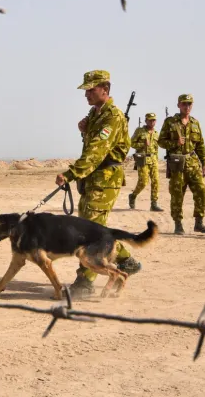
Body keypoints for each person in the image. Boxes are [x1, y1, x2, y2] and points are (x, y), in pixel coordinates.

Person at [55, 70, 142, 297]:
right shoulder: (95, 115)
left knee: (91, 236)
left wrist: (71, 173)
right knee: (91, 231)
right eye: (86, 90)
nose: (87, 94)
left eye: (91, 89)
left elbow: (96, 152)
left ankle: (84, 283)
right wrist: (84, 132)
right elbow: (91, 145)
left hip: (104, 181)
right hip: (92, 180)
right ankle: (126, 261)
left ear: (105, 89)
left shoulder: (112, 117)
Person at [157, 93, 205, 235]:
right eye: (184, 104)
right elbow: (160, 141)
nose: (187, 106)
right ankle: (178, 224)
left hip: (193, 163)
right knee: (177, 195)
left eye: (189, 104)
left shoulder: (195, 123)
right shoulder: (170, 122)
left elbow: (200, 145)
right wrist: (175, 143)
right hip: (177, 164)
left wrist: (204, 162)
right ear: (178, 105)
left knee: (201, 190)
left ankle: (199, 223)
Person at [128, 113, 164, 212]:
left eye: (154, 120)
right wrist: (142, 144)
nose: (152, 122)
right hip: (142, 159)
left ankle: (154, 204)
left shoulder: (156, 133)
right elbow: (131, 143)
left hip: (153, 160)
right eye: (150, 120)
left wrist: (156, 159)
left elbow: (157, 148)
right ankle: (133, 195)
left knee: (156, 181)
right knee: (143, 181)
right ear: (146, 121)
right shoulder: (140, 131)